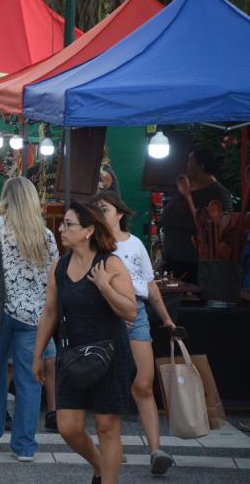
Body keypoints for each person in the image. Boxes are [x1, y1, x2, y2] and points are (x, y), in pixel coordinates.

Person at [33, 202, 136, 484]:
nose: (62, 229)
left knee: (107, 426)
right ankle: (101, 467)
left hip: (110, 353)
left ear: (88, 230)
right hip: (73, 354)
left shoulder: (110, 263)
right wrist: (38, 354)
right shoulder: (60, 265)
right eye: (63, 224)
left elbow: (130, 311)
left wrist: (104, 286)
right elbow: (50, 312)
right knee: (68, 427)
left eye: (69, 224)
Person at [0, 177, 59, 462]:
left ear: (6, 197)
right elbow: (54, 277)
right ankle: (24, 445)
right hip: (34, 317)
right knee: (30, 380)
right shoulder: (46, 235)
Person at [94, 191, 177, 475]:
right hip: (105, 315)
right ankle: (112, 445)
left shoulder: (135, 244)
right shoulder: (92, 245)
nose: (100, 214)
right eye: (97, 210)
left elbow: (150, 286)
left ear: (119, 213)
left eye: (104, 209)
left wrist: (167, 319)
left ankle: (156, 450)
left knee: (143, 383)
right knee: (109, 384)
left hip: (137, 313)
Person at [160, 147, 232, 284]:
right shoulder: (186, 188)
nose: (186, 165)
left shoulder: (219, 193)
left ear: (200, 167)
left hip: (194, 262)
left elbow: (223, 227)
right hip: (173, 258)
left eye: (189, 162)